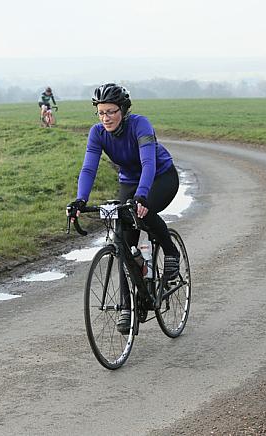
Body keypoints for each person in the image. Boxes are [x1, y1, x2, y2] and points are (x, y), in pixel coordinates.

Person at [67, 83, 180, 334]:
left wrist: (142, 197)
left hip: (160, 176)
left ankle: (171, 253)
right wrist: (80, 200)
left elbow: (148, 162)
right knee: (122, 242)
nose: (105, 118)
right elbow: (89, 168)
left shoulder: (140, 124)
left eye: (111, 112)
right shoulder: (97, 133)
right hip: (129, 181)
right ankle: (127, 306)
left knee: (144, 212)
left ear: (123, 110)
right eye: (101, 112)